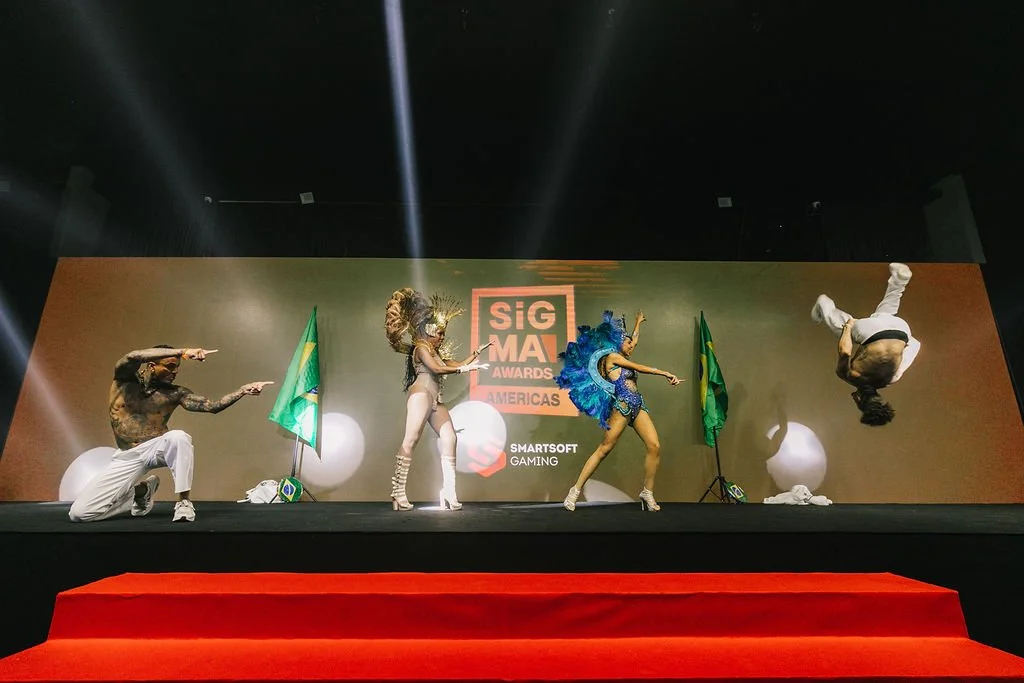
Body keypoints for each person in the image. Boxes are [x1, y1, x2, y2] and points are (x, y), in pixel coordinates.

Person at [68, 345, 273, 523]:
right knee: (80, 514)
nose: (174, 372)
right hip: (127, 456)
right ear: (151, 365)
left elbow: (212, 406)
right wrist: (183, 352)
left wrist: (243, 391)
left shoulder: (176, 393)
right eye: (169, 366)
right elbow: (132, 356)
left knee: (179, 437)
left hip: (158, 447)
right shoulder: (124, 381)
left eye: (177, 368)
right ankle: (142, 491)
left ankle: (184, 501)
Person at [555, 311, 682, 512]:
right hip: (621, 406)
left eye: (632, 343)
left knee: (654, 445)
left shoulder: (622, 353)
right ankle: (574, 491)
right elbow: (638, 367)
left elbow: (634, 341)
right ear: (619, 342)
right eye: (628, 343)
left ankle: (647, 492)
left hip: (637, 405)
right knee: (604, 449)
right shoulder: (613, 357)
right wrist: (664, 373)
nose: (632, 346)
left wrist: (639, 323)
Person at [384, 289, 490, 511]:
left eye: (443, 333)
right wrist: (465, 369)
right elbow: (437, 369)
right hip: (421, 395)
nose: (442, 337)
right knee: (410, 440)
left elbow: (451, 363)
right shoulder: (421, 349)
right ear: (429, 331)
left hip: (434, 399)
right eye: (439, 333)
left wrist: (474, 354)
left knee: (450, 437)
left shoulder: (433, 350)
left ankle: (449, 492)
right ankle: (397, 493)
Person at [811, 262, 921, 426]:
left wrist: (902, 339)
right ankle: (824, 304)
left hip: (901, 329)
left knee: (884, 314)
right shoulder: (850, 376)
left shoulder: (893, 378)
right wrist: (848, 328)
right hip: (872, 333)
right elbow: (845, 352)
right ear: (859, 399)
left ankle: (900, 280)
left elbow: (916, 344)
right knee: (841, 327)